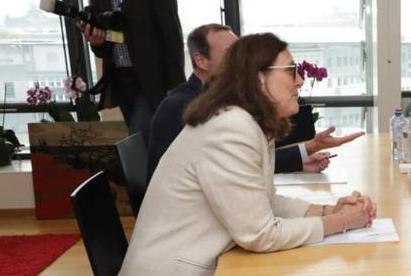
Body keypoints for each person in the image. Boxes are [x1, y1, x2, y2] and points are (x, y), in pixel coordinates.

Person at [117, 33, 377, 276]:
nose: (300, 80)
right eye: (291, 70)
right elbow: (259, 233)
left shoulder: (245, 121)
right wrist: (341, 222)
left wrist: (327, 211)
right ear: (259, 79)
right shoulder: (232, 129)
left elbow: (264, 201)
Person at [146, 24, 360, 181]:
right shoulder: (188, 105)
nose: (242, 59)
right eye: (232, 53)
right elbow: (237, 164)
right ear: (200, 60)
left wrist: (308, 149)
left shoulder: (225, 105)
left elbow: (244, 161)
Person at [82, 0, 185, 143]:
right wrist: (96, 41)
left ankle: (144, 175)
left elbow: (171, 36)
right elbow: (104, 44)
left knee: (138, 138)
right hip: (119, 79)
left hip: (151, 79)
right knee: (144, 140)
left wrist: (176, 88)